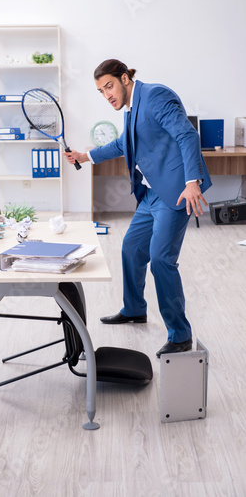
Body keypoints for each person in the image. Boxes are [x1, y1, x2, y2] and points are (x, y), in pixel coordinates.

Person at [64, 59, 212, 358]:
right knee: (131, 248)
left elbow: (187, 135)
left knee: (160, 260)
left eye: (109, 86)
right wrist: (85, 156)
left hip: (175, 194)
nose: (107, 95)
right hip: (150, 195)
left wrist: (192, 181)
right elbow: (123, 144)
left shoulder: (155, 95)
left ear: (124, 79)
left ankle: (180, 334)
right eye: (100, 91)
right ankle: (134, 310)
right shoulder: (131, 108)